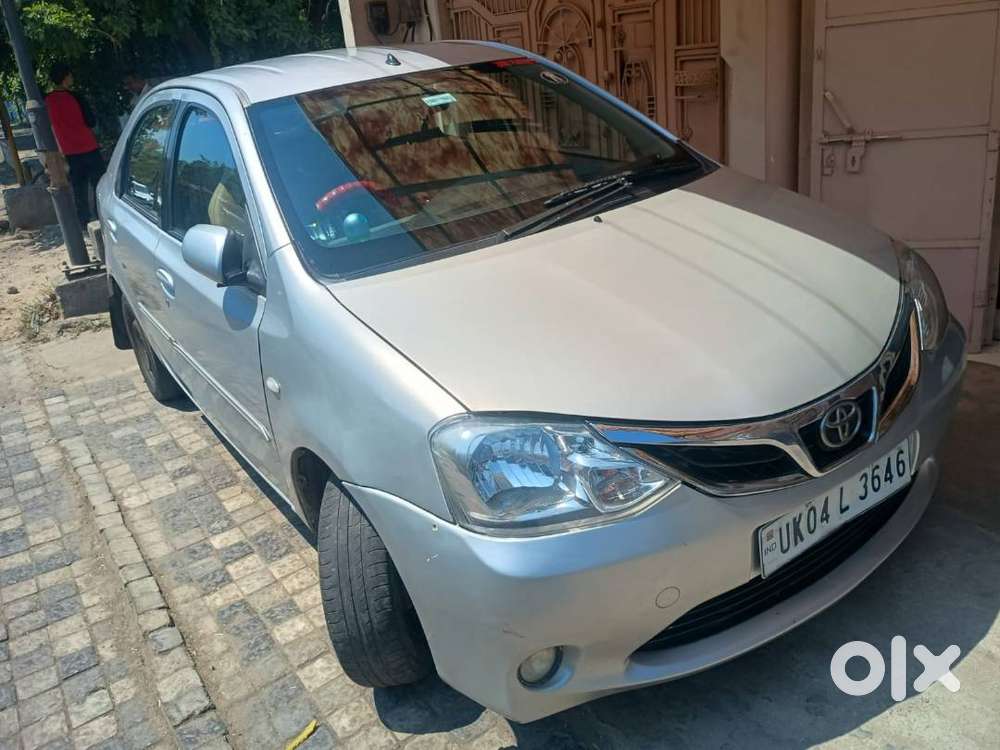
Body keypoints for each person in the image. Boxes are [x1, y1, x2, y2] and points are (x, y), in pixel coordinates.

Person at [44, 62, 103, 223]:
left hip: (69, 150)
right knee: (99, 183)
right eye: (70, 75)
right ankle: (101, 216)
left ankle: (84, 220)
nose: (72, 78)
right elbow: (90, 121)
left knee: (79, 187)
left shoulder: (47, 100)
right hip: (88, 146)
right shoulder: (76, 97)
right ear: (65, 77)